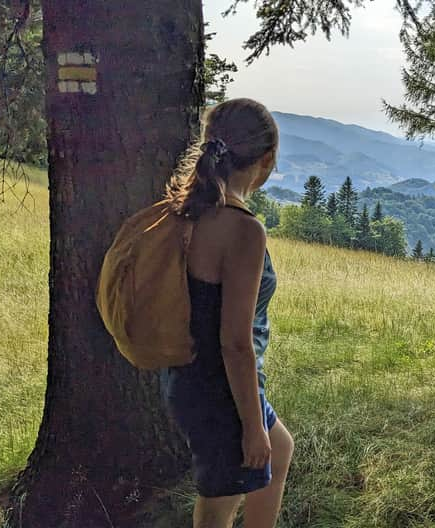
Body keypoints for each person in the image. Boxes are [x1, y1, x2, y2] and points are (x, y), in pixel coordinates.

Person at [159, 98, 294, 528]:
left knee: (281, 447)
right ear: (266, 159)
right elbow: (235, 343)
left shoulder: (187, 209)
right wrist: (251, 425)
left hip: (187, 375)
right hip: (223, 391)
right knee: (218, 509)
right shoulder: (244, 230)